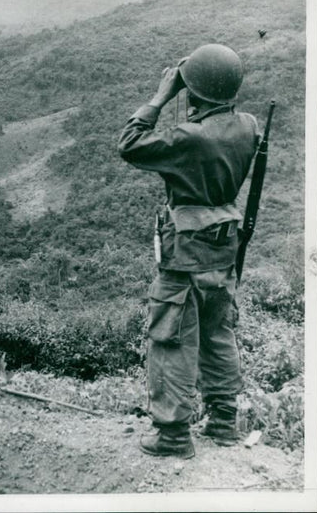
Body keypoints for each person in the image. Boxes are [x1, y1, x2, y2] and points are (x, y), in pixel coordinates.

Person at [118, 44, 260, 459]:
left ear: (194, 92)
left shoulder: (190, 138)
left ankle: (174, 435)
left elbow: (130, 143)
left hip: (184, 254)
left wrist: (162, 95)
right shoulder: (249, 126)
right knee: (218, 333)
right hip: (224, 251)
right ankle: (223, 422)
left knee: (172, 337)